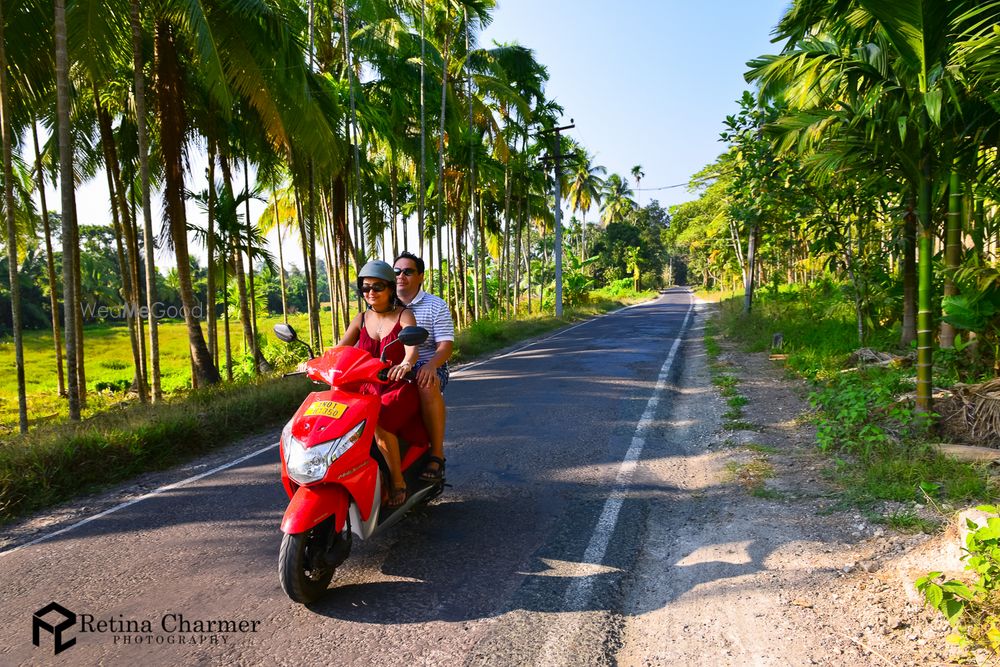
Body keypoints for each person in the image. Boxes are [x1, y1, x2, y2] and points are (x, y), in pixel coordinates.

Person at [337, 260, 420, 508]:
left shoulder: (404, 315)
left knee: (379, 419)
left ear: (390, 289)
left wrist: (406, 363)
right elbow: (341, 349)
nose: (371, 292)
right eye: (365, 288)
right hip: (365, 388)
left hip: (397, 384)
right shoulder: (360, 319)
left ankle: (397, 480)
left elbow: (412, 348)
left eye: (378, 287)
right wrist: (314, 362)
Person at [392, 251, 454, 483]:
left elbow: (446, 346)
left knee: (426, 384)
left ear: (420, 277)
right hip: (393, 366)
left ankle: (436, 454)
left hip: (429, 364)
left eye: (408, 272)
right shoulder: (384, 303)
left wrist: (430, 365)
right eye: (396, 272)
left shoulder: (435, 305)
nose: (401, 276)